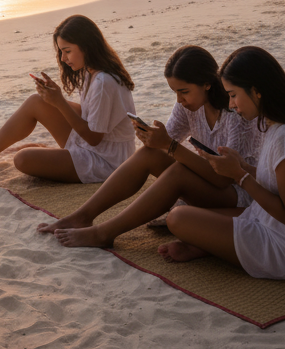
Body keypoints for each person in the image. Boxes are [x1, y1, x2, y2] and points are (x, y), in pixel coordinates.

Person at [41, 45, 263, 248]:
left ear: (207, 83)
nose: (179, 100)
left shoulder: (235, 113)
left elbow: (225, 177)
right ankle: (83, 215)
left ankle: (104, 233)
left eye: (184, 92)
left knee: (177, 172)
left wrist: (169, 145)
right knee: (149, 154)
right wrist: (153, 138)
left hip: (241, 192)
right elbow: (165, 145)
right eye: (175, 92)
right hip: (212, 181)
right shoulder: (188, 106)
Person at [159, 46, 285, 280]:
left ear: (256, 91)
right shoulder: (278, 125)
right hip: (278, 227)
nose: (231, 105)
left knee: (178, 218)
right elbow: (277, 180)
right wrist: (243, 166)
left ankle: (212, 248)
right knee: (187, 214)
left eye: (233, 95)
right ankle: (208, 246)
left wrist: (240, 176)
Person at [0, 14, 136, 182]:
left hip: (108, 160)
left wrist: (59, 102)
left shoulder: (103, 81)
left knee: (22, 159)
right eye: (61, 51)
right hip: (98, 145)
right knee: (36, 101)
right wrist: (53, 99)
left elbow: (94, 138)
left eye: (67, 51)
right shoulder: (92, 72)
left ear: (87, 47)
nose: (63, 58)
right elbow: (92, 117)